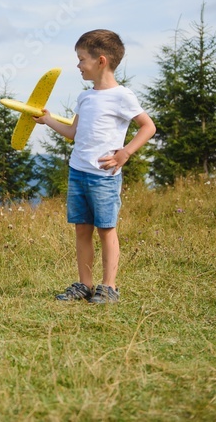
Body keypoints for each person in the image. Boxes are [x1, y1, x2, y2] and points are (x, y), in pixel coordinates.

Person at [35, 30, 156, 304]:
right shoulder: (85, 97)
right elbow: (74, 133)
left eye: (81, 59)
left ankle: (109, 287)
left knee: (106, 229)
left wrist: (125, 153)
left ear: (101, 61)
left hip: (104, 177)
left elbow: (148, 127)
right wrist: (48, 120)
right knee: (82, 229)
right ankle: (84, 285)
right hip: (78, 172)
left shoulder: (122, 96)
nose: (78, 65)